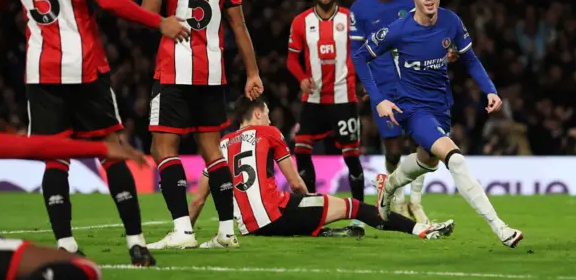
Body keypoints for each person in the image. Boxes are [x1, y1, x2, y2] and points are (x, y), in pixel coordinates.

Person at [0, 0, 184, 263]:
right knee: (112, 151)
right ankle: (136, 243)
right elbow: (106, 0)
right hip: (85, 66)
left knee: (54, 158)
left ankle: (65, 245)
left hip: (41, 72)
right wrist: (158, 22)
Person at [352, 0, 523, 248]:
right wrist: (378, 99)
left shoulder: (451, 21)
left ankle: (389, 185)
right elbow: (361, 57)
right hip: (412, 107)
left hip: (440, 105)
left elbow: (470, 59)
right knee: (455, 159)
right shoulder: (398, 29)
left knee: (427, 162)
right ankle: (501, 228)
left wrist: (490, 89)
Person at [141, 0, 263, 250]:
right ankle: (226, 232)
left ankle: (182, 230)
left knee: (163, 147)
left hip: (173, 71)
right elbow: (239, 25)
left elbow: (148, 14)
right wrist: (252, 72)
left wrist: (160, 19)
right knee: (212, 150)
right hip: (213, 73)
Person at [0, 62, 150, 280]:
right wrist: (102, 148)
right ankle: (135, 240)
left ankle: (65, 241)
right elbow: (32, 147)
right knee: (84, 269)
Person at [188, 97, 454, 240]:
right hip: (275, 215)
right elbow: (295, 184)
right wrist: (312, 200)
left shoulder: (220, 144)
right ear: (257, 114)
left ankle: (324, 229)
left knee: (315, 213)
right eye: (267, 112)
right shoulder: (268, 132)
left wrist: (187, 231)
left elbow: (199, 198)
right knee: (353, 207)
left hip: (248, 227)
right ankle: (421, 230)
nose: (269, 117)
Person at [349, 0, 426, 221]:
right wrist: (364, 83)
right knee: (393, 149)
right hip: (382, 86)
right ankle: (397, 198)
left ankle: (416, 202)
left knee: (422, 140)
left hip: (414, 82)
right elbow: (356, 50)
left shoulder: (409, 2)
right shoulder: (360, 9)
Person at [286, 0, 364, 230]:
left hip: (344, 98)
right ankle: (312, 211)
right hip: (314, 100)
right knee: (301, 150)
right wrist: (301, 78)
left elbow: (363, 55)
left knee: (351, 157)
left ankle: (359, 217)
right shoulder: (301, 22)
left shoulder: (351, 19)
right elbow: (291, 60)